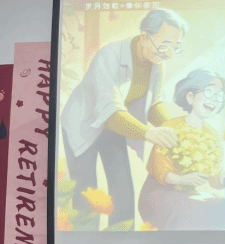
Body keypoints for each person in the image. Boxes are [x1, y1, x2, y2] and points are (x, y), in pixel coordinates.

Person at [61, 8, 188, 228]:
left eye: (175, 47)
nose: (168, 53)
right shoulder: (109, 56)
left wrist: (175, 129)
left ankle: (122, 240)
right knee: (87, 193)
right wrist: (149, 133)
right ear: (144, 37)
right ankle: (85, 243)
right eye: (164, 45)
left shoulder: (156, 61)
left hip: (115, 125)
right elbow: (110, 111)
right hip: (83, 124)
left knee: (122, 190)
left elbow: (154, 103)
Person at [139, 69, 225, 230]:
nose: (214, 99)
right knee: (193, 209)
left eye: (219, 95)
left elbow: (215, 181)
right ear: (190, 97)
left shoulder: (213, 136)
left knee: (221, 205)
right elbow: (161, 170)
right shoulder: (171, 127)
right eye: (209, 92)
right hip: (158, 193)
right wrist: (182, 180)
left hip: (187, 194)